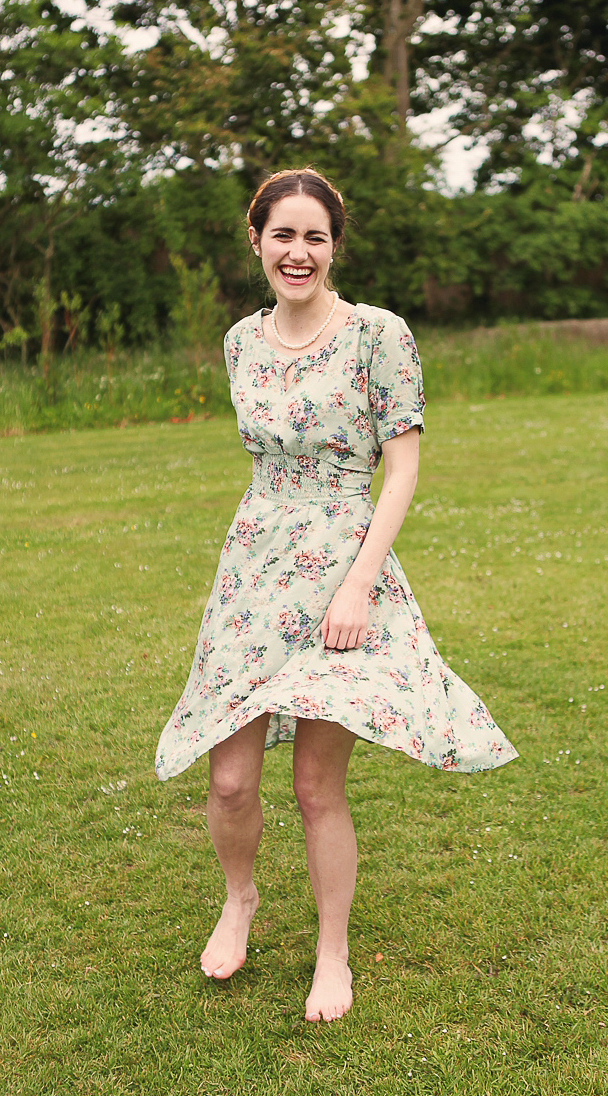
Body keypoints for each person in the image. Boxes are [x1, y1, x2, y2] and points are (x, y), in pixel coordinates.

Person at [155, 168, 518, 1022]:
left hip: (344, 567)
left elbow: (404, 467)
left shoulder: (378, 335)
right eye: (283, 234)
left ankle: (332, 954)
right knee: (232, 779)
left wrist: (358, 583)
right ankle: (239, 900)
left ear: (334, 246)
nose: (299, 252)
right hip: (254, 566)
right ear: (256, 240)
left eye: (315, 236)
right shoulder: (240, 341)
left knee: (316, 785)